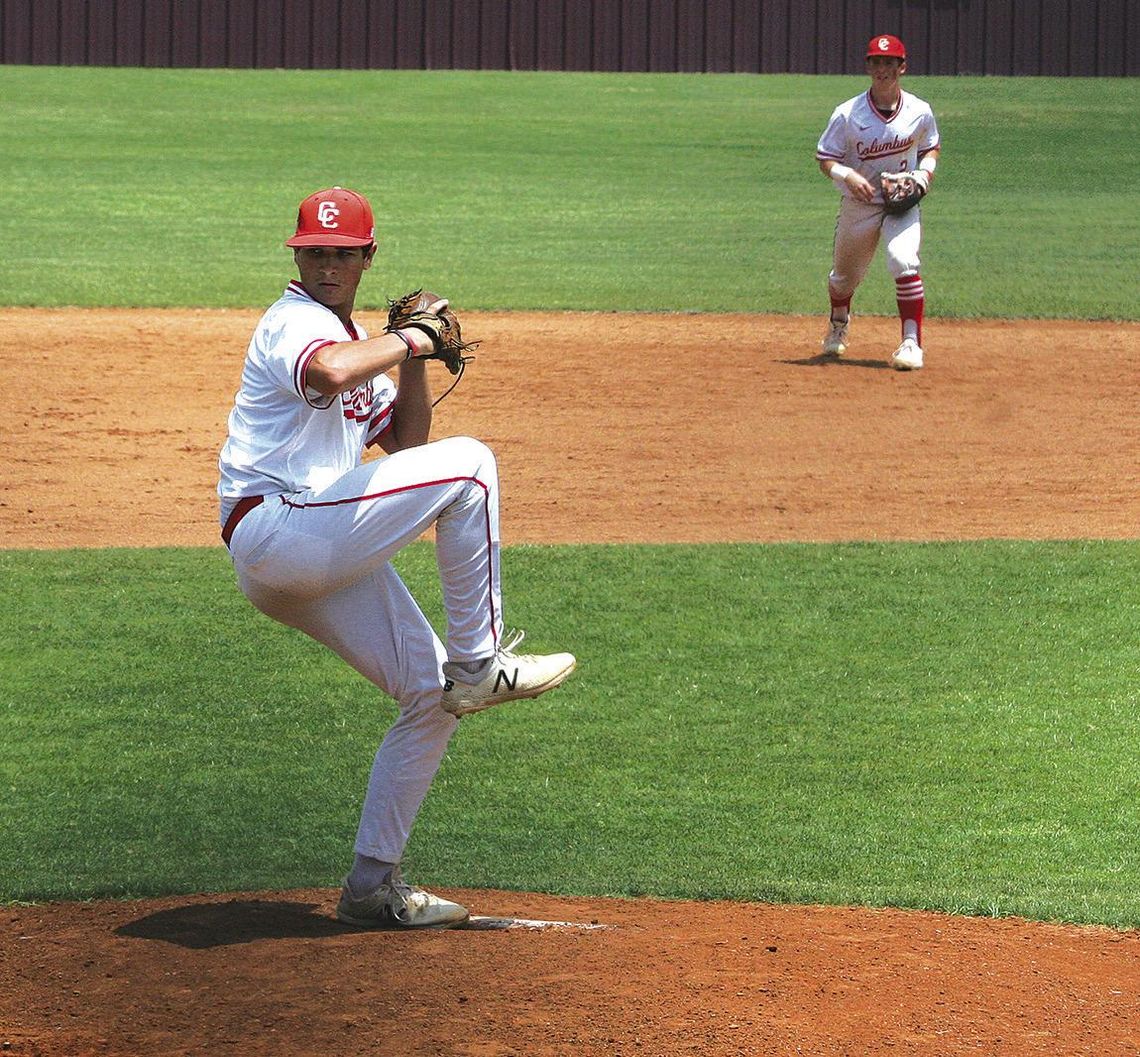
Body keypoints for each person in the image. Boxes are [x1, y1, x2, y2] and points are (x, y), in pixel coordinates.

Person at [216, 186, 577, 929]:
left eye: (340, 253)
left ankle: (370, 886)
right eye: (313, 252)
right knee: (472, 465)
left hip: (310, 550)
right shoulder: (295, 323)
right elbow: (326, 374)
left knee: (428, 692)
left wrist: (418, 359)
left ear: (365, 257)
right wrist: (412, 339)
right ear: (297, 257)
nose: (325, 264)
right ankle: (482, 662)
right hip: (277, 529)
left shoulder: (354, 341)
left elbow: (408, 445)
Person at [815, 34, 942, 370]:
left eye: (890, 62)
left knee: (903, 260)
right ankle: (839, 323)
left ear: (902, 67)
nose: (883, 69)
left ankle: (911, 343)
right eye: (877, 62)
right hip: (860, 204)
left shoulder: (919, 111)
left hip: (902, 202)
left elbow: (930, 147)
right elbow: (825, 158)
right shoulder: (847, 113)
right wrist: (846, 176)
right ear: (868, 66)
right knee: (843, 278)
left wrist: (923, 177)